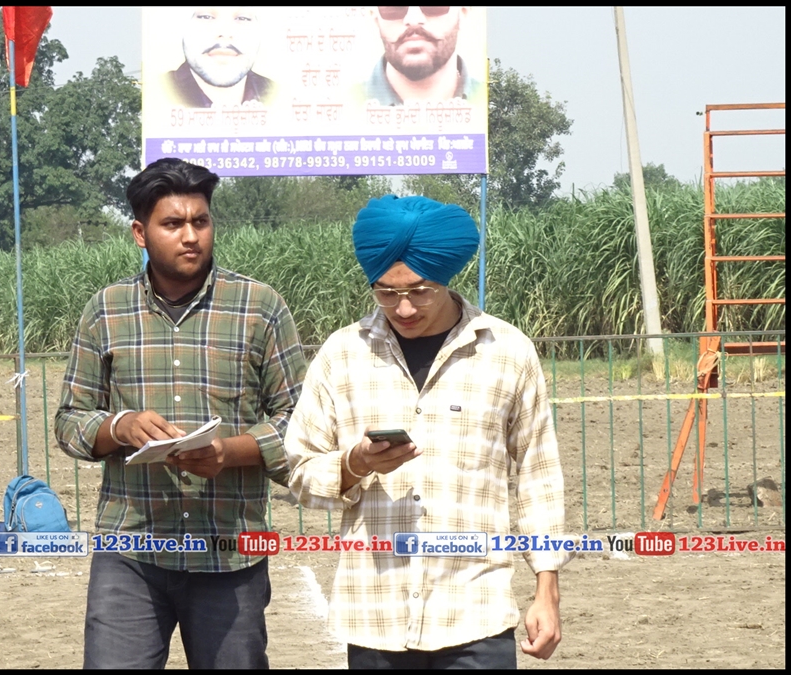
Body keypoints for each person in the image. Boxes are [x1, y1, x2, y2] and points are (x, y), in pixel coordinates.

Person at [283, 194, 569, 669]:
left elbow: (539, 477)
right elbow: (300, 471)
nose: (404, 308)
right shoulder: (342, 354)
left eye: (420, 291)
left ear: (446, 276)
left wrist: (547, 589)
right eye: (385, 292)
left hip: (475, 612)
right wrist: (354, 464)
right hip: (375, 616)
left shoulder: (507, 351)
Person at [55, 158, 306, 669]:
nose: (190, 236)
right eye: (173, 224)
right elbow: (69, 420)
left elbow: (301, 421)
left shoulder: (259, 307)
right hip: (131, 550)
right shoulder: (106, 310)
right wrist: (119, 426)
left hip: (230, 552)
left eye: (201, 221)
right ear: (140, 233)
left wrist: (229, 452)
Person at [360, 6, 483, 105]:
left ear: (463, 13)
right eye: (396, 7)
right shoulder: (350, 109)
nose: (413, 20)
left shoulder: (488, 104)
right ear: (376, 20)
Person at [164, 6, 276, 108]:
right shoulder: (155, 94)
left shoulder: (280, 98)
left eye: (243, 18)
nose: (225, 33)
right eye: (205, 16)